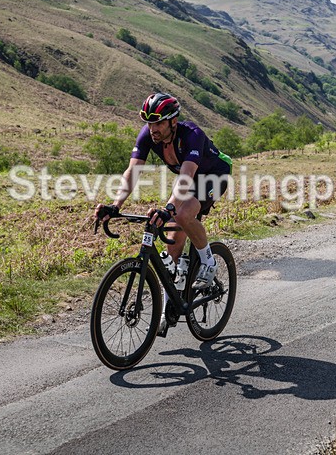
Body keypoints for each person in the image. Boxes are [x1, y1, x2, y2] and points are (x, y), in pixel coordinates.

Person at [94, 92, 233, 330]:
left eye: (158, 122)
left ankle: (209, 262)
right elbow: (132, 172)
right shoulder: (148, 135)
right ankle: (169, 309)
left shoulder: (192, 135)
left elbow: (187, 177)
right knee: (171, 249)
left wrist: (169, 207)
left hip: (213, 175)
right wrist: (116, 205)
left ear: (172, 121)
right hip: (187, 181)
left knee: (181, 214)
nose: (152, 128)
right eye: (149, 122)